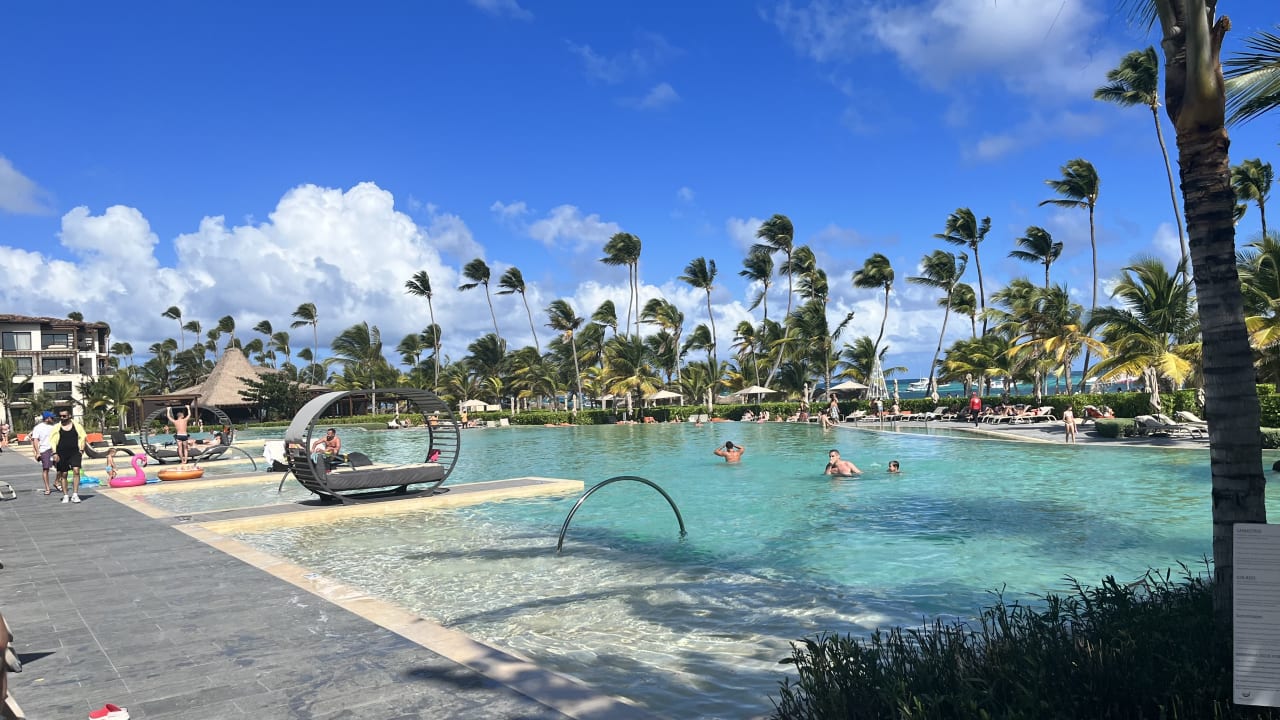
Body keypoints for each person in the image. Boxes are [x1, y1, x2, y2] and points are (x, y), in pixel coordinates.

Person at [48, 411, 86, 504]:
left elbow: (83, 437)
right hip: (61, 453)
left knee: (76, 470)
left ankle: (75, 495)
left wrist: (81, 450)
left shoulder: (77, 426)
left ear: (69, 416)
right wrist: (54, 453)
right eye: (60, 416)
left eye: (64, 416)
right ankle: (65, 495)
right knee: (63, 474)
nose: (62, 417)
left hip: (75, 452)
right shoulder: (57, 427)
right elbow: (52, 441)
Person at [29, 411, 57, 495]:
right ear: (47, 418)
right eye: (52, 418)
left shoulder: (54, 426)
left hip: (54, 449)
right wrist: (37, 452)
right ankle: (47, 488)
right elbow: (35, 440)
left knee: (61, 468)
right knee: (46, 469)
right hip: (44, 450)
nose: (53, 419)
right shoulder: (38, 427)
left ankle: (56, 482)